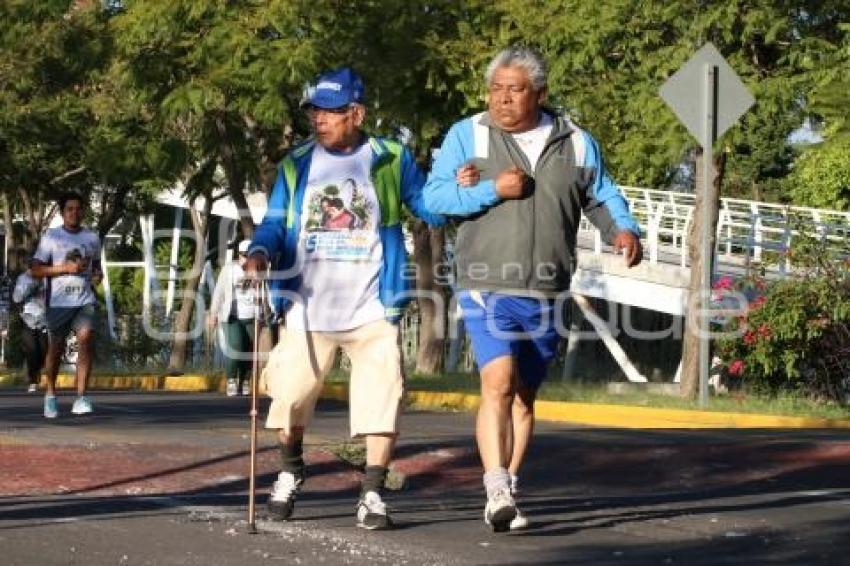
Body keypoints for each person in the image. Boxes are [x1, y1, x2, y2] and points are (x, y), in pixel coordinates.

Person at [423, 46, 643, 532]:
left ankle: (509, 488)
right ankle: (495, 484)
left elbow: (601, 194)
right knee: (497, 384)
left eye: (514, 89)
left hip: (547, 285)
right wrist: (489, 190)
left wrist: (622, 230)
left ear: (539, 93)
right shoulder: (469, 134)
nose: (502, 99)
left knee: (524, 396)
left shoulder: (578, 142)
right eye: (496, 89)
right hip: (484, 280)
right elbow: (434, 199)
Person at [243, 66, 444, 530]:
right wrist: (258, 251)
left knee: (381, 399)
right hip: (307, 307)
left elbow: (428, 205)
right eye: (315, 111)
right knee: (288, 399)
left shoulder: (390, 157)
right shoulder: (296, 164)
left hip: (374, 305)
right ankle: (292, 468)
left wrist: (470, 190)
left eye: (331, 112)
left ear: (357, 113)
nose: (319, 119)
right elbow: (275, 223)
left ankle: (372, 492)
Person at [31, 192, 103, 418]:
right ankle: (50, 394)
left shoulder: (92, 238)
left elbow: (97, 268)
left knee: (86, 337)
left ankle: (81, 396)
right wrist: (64, 269)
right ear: (63, 213)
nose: (74, 212)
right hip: (58, 303)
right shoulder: (51, 237)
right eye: (69, 209)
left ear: (83, 211)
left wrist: (97, 277)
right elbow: (36, 269)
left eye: (78, 208)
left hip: (84, 300)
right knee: (56, 348)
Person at [209, 240, 257, 396]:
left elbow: (267, 291)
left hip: (253, 315)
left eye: (250, 255)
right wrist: (213, 313)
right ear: (239, 255)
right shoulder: (229, 269)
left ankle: (245, 380)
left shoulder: (259, 269)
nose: (246, 258)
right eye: (244, 255)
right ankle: (231, 379)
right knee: (236, 347)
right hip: (232, 316)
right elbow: (219, 292)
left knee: (249, 350)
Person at [12, 249, 48, 393]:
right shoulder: (23, 279)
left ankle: (37, 371)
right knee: (32, 351)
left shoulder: (48, 278)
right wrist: (32, 286)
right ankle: (33, 380)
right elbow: (17, 298)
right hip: (28, 319)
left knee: (44, 351)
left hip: (45, 320)